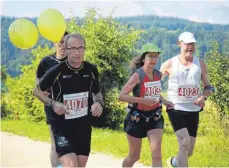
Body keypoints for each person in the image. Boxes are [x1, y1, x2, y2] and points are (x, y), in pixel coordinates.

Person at [33, 33, 103, 167]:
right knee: (71, 165)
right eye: (73, 48)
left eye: (80, 48)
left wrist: (98, 103)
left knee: (80, 165)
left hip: (83, 125)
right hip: (61, 125)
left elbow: (97, 93)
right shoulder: (56, 70)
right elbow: (36, 91)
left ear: (85, 49)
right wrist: (52, 103)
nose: (77, 52)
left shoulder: (92, 70)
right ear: (67, 49)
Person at [160, 32, 214, 167]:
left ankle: (174, 162)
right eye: (187, 44)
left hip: (193, 109)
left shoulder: (200, 64)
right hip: (175, 108)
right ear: (179, 44)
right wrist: (162, 100)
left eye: (192, 44)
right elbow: (152, 84)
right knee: (184, 143)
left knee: (189, 151)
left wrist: (203, 96)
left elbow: (208, 87)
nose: (190, 47)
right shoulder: (169, 64)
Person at [118, 43, 174, 167]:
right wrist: (143, 101)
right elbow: (121, 96)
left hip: (155, 117)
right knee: (134, 156)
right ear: (144, 58)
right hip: (136, 119)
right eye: (150, 56)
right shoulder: (137, 75)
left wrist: (164, 101)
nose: (153, 59)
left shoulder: (158, 74)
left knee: (157, 154)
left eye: (156, 56)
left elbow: (155, 93)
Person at [36, 31, 69, 167]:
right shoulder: (46, 62)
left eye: (66, 43)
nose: (63, 46)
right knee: (56, 143)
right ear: (54, 43)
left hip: (73, 109)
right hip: (53, 109)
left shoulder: (75, 62)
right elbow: (37, 88)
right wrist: (47, 97)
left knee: (72, 144)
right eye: (60, 42)